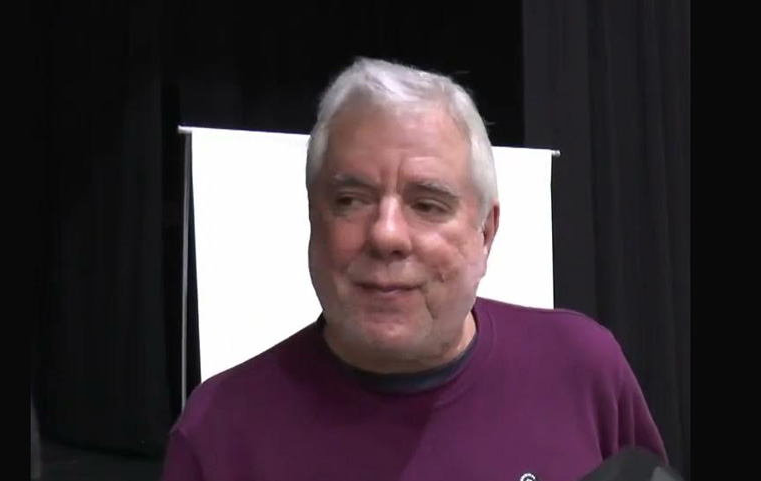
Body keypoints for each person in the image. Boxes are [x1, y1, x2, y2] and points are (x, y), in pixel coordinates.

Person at [160, 57, 668, 481]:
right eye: (351, 199)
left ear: (485, 232)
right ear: (313, 217)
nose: (386, 235)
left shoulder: (582, 369)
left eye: (427, 204)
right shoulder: (219, 433)